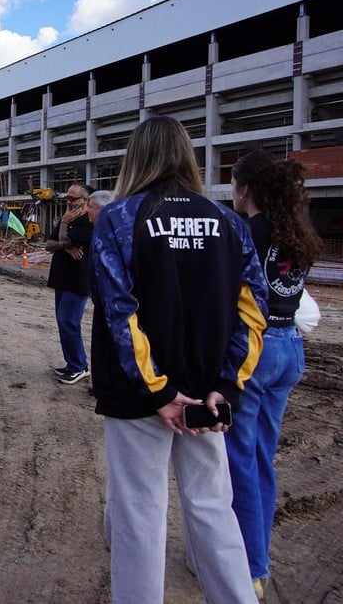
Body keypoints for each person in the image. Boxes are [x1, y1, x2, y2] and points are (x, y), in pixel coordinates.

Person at [89, 115, 267, 603]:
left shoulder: (120, 218)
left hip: (143, 399)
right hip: (208, 395)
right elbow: (254, 313)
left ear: (136, 156)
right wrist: (227, 386)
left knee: (139, 516)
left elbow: (118, 313)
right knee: (213, 507)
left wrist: (161, 391)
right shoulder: (229, 222)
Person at [225, 151, 324, 599]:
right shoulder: (294, 234)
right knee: (262, 458)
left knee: (239, 462)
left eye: (232, 183)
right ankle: (257, 561)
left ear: (245, 188)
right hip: (289, 347)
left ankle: (245, 567)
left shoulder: (245, 232)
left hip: (255, 347)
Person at [44, 183, 93, 385]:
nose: (69, 202)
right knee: (63, 321)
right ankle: (73, 363)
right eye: (67, 198)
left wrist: (62, 239)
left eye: (73, 199)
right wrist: (64, 245)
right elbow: (49, 245)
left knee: (69, 321)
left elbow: (66, 241)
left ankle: (79, 366)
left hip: (78, 280)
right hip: (62, 279)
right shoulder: (66, 218)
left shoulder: (88, 221)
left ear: (86, 201)